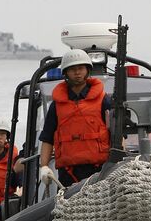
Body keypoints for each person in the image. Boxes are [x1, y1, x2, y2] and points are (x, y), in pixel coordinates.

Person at [38, 49, 111, 187]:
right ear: (65, 73)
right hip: (68, 173)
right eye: (72, 69)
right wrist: (44, 166)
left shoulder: (104, 101)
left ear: (87, 70)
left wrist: (118, 163)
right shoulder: (56, 105)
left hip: (99, 170)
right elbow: (47, 138)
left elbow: (116, 133)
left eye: (81, 68)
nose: (77, 73)